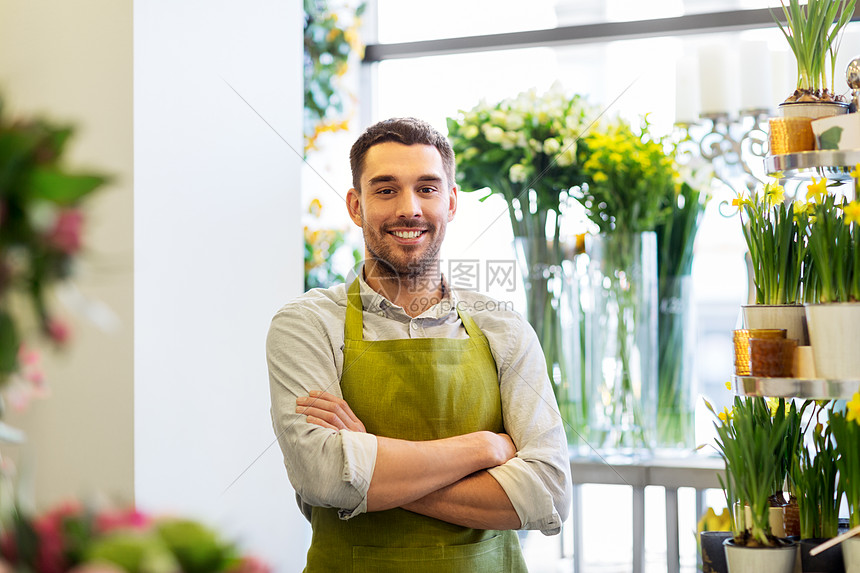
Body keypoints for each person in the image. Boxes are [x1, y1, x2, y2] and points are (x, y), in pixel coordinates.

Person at [267, 117, 571, 572]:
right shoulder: (306, 325)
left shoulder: (502, 327)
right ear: (355, 205)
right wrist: (484, 449)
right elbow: (323, 476)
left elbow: (547, 491)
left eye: (427, 188)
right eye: (386, 190)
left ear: (450, 202)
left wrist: (371, 459)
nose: (409, 208)